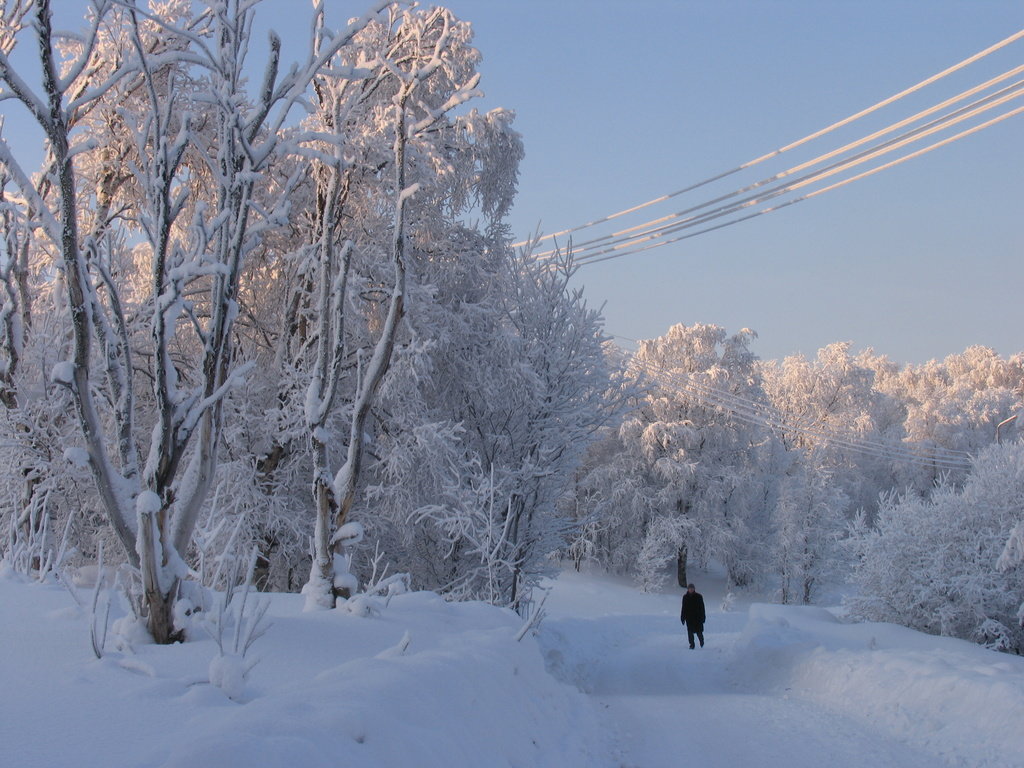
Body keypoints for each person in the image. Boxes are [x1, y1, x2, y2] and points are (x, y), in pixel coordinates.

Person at [680, 583, 706, 649]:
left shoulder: (699, 596)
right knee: (690, 632)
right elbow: (683, 608)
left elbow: (702, 608)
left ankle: (701, 641)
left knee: (699, 632)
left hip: (698, 617)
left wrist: (703, 617)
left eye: (692, 588)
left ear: (694, 589)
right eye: (690, 588)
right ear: (688, 589)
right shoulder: (685, 597)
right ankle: (692, 644)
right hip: (689, 618)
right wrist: (682, 617)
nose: (691, 589)